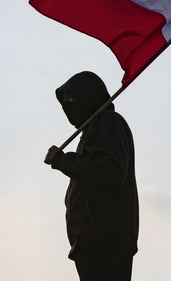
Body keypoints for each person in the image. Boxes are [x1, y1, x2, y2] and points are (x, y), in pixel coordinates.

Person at [44, 71, 139, 281]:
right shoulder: (94, 128)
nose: (67, 104)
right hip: (94, 240)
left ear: (86, 95)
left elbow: (108, 171)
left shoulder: (106, 122)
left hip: (104, 239)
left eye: (71, 97)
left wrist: (62, 160)